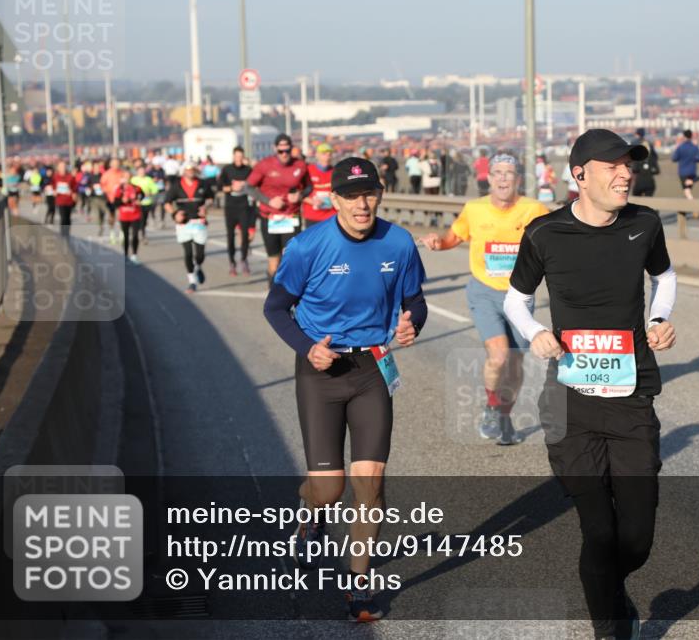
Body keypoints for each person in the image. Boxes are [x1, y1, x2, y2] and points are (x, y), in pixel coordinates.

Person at [503, 129, 677, 640]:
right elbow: (516, 299)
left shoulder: (644, 224)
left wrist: (658, 318)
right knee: (599, 530)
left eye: (630, 166)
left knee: (637, 540)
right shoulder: (544, 233)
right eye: (613, 166)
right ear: (580, 175)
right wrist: (536, 333)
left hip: (631, 399)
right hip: (570, 403)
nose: (626, 174)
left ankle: (608, 588)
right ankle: (611, 627)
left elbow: (663, 278)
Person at [263, 157, 428, 623]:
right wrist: (307, 347)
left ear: (379, 194)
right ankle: (310, 509)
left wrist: (413, 321)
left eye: (370, 193)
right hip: (321, 371)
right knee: (329, 489)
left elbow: (415, 298)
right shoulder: (306, 246)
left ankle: (358, 586)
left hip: (372, 367)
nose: (362, 203)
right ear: (332, 198)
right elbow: (276, 308)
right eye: (351, 195)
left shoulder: (398, 242)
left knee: (369, 484)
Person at [419, 154, 550, 444]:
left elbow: (556, 241)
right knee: (499, 355)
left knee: (515, 364)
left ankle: (504, 417)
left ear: (518, 179)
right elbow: (453, 238)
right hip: (484, 291)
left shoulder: (534, 209)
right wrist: (437, 242)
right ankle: (492, 408)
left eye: (509, 173)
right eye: (497, 173)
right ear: (488, 178)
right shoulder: (474, 209)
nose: (503, 178)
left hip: (520, 294)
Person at [246, 134, 311, 285]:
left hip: (291, 217)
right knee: (274, 262)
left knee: (290, 259)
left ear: (291, 149)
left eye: (287, 151)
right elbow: (249, 187)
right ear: (274, 149)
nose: (284, 154)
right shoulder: (264, 165)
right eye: (280, 151)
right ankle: (273, 294)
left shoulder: (300, 165)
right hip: (270, 218)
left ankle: (287, 299)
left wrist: (300, 195)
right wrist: (269, 201)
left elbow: (309, 187)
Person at [165, 163, 215, 292]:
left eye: (192, 170)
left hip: (199, 222)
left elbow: (210, 198)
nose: (190, 172)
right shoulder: (176, 186)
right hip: (184, 223)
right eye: (187, 170)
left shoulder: (203, 184)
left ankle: (198, 267)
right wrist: (175, 214)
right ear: (183, 172)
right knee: (188, 253)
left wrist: (206, 207)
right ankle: (192, 281)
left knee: (200, 254)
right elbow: (167, 203)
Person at [220, 146, 256, 276]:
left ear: (243, 157)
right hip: (230, 206)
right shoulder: (227, 169)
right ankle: (232, 262)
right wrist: (232, 187)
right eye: (237, 157)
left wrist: (244, 186)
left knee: (245, 234)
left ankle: (244, 259)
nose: (239, 159)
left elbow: (254, 185)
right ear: (233, 156)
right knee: (230, 235)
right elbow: (221, 187)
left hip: (244, 206)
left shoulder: (248, 170)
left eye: (241, 157)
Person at [302, 143, 338, 228]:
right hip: (312, 216)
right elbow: (299, 193)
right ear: (317, 155)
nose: (327, 157)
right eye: (324, 154)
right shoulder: (308, 170)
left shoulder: (335, 172)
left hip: (331, 216)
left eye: (329, 154)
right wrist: (311, 201)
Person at [113, 174, 143, 264]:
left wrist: (139, 201)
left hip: (135, 215)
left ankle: (134, 255)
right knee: (125, 236)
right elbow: (115, 203)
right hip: (124, 216)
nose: (126, 179)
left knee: (135, 235)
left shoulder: (137, 188)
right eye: (125, 177)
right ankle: (125, 255)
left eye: (128, 177)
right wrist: (122, 201)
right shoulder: (120, 189)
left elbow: (142, 196)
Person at [670, 129, 699, 201]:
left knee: (686, 190)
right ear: (691, 136)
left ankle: (693, 206)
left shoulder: (680, 147)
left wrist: (681, 157)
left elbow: (674, 158)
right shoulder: (695, 147)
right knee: (688, 190)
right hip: (692, 172)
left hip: (683, 172)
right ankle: (684, 210)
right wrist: (694, 159)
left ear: (684, 136)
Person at [130, 165, 159, 244]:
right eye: (140, 171)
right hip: (136, 203)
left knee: (144, 220)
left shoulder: (148, 179)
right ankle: (140, 234)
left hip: (146, 202)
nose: (142, 173)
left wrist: (149, 193)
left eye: (143, 171)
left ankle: (142, 232)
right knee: (138, 219)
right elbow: (130, 189)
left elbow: (155, 189)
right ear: (137, 172)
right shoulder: (133, 180)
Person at [50, 160, 78, 237]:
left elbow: (75, 187)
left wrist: (73, 193)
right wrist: (54, 191)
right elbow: (52, 185)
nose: (62, 168)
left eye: (64, 166)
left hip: (69, 200)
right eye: (61, 167)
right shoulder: (55, 177)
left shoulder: (70, 177)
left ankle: (67, 233)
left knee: (68, 218)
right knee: (63, 217)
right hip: (60, 200)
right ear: (58, 168)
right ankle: (63, 234)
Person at [630, 128, 660, 197]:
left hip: (636, 167)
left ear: (637, 134)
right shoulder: (648, 143)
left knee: (636, 189)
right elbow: (655, 156)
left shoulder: (634, 142)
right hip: (648, 168)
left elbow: (630, 155)